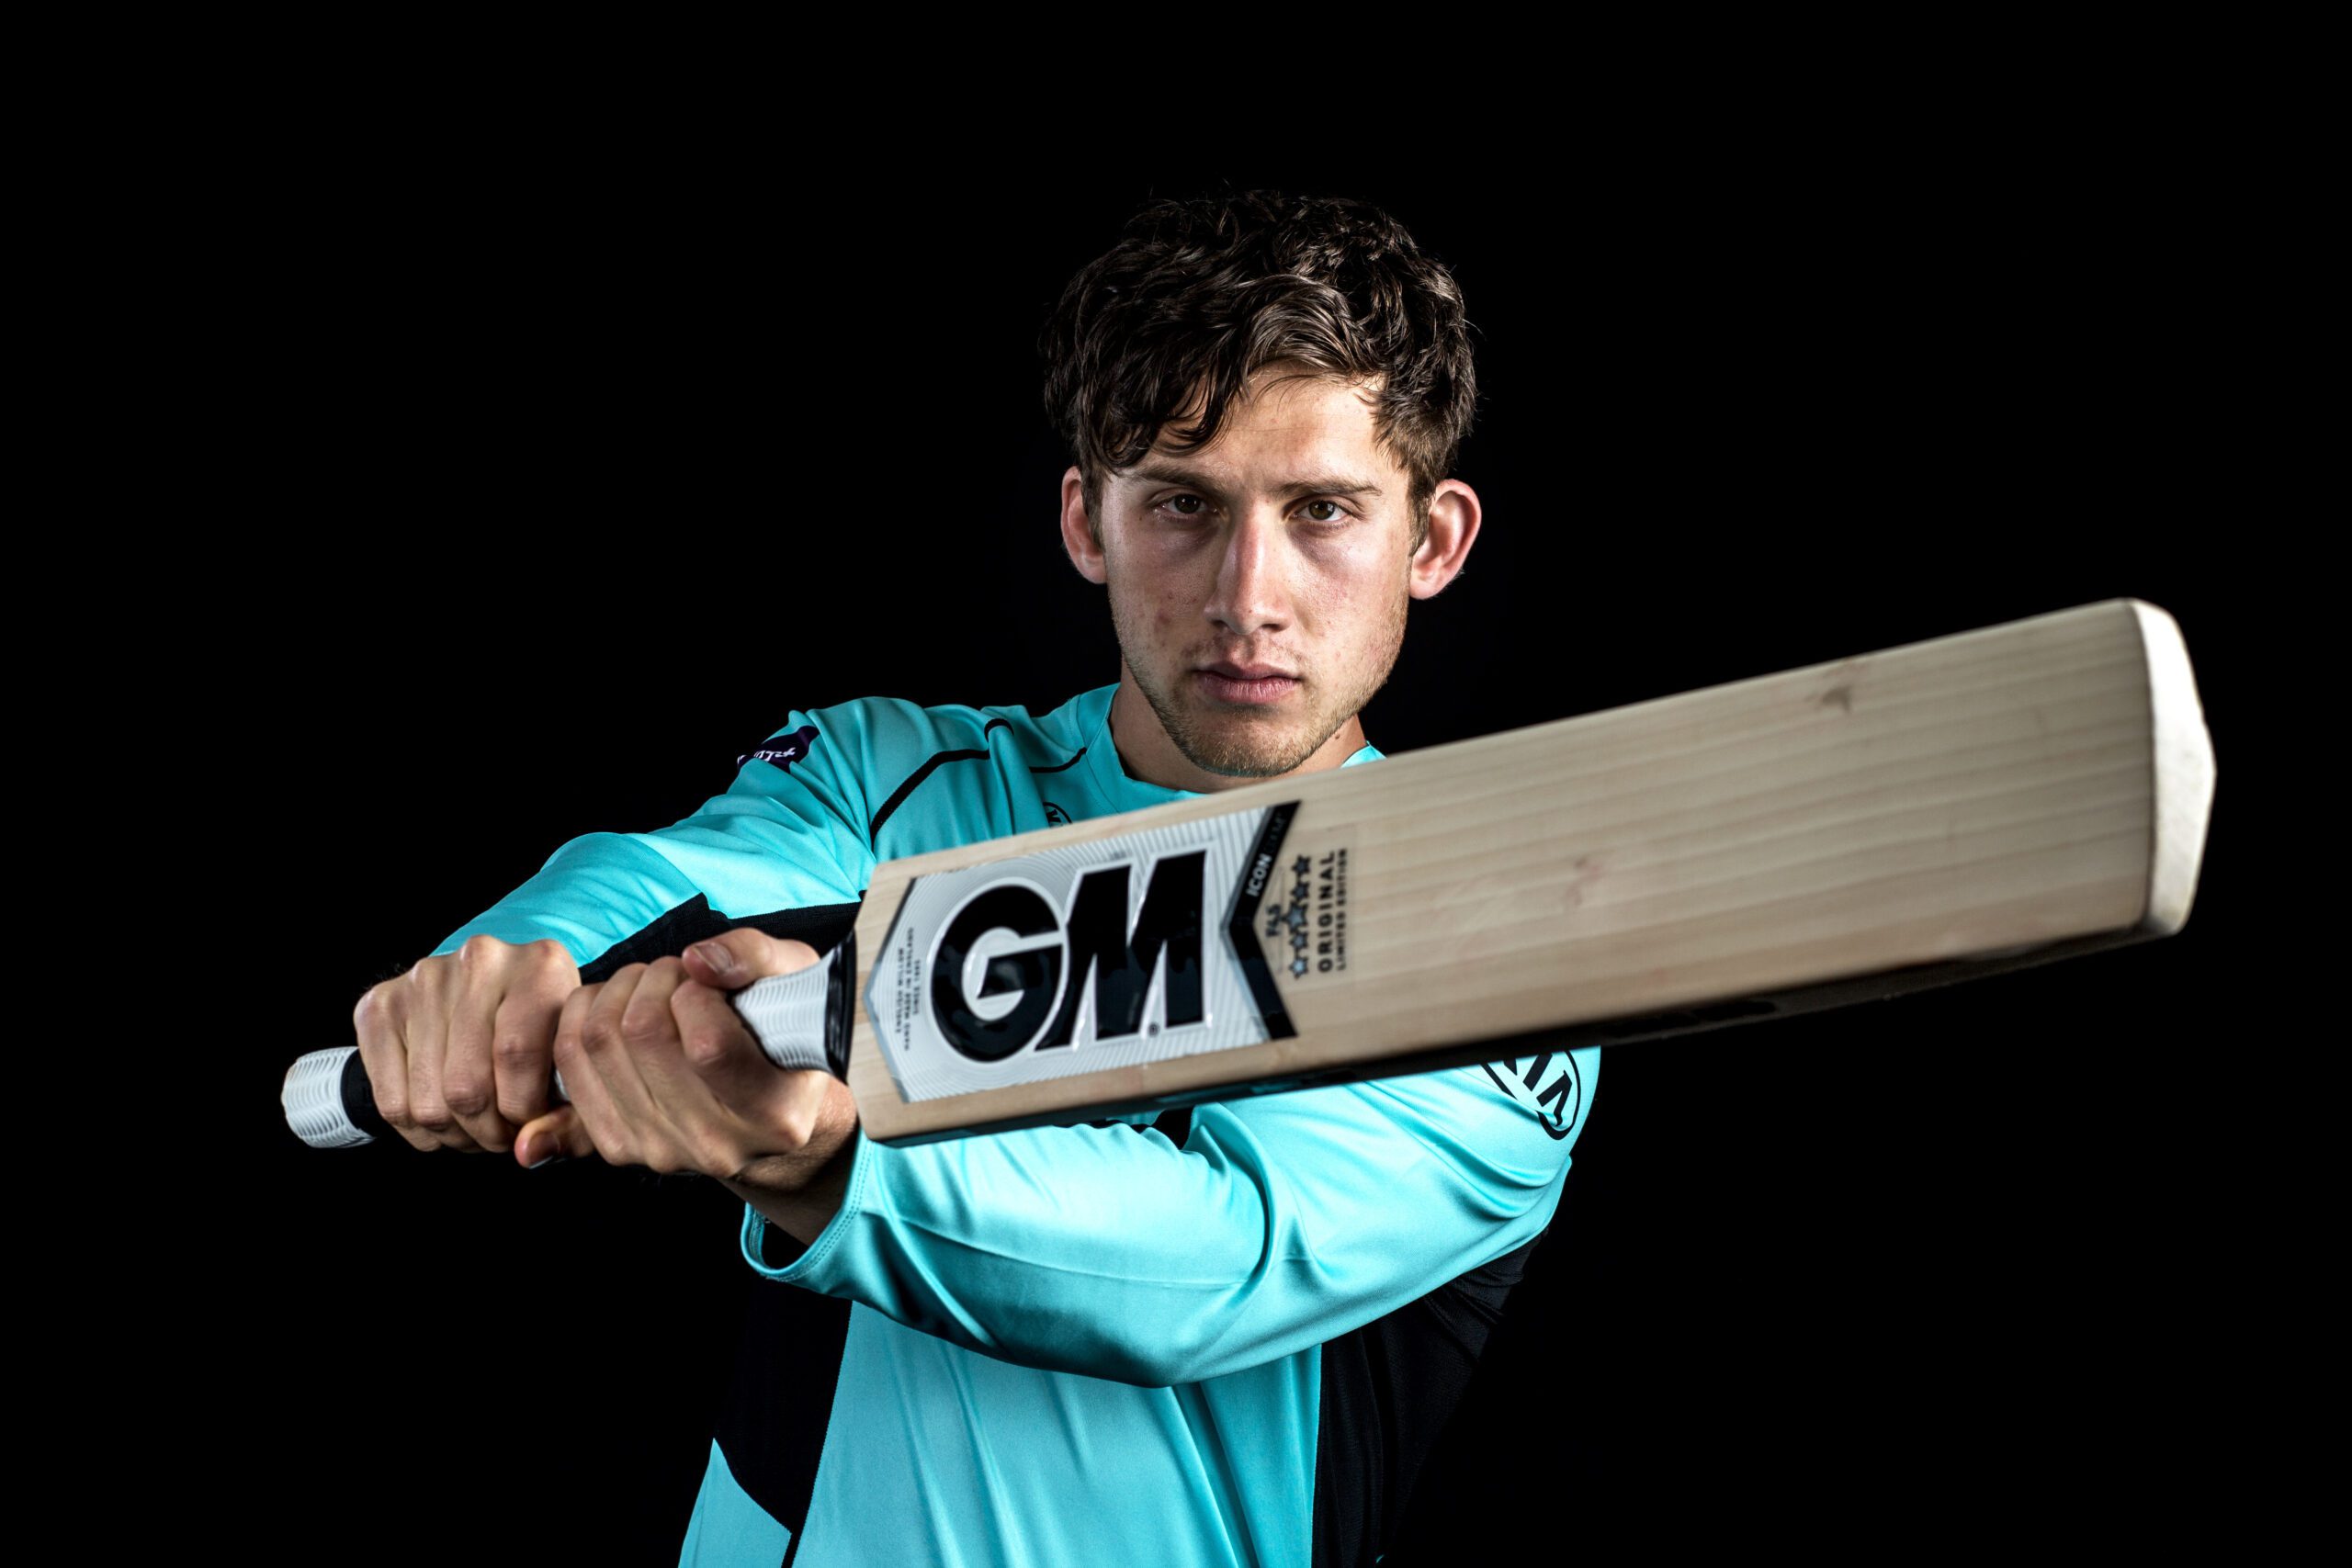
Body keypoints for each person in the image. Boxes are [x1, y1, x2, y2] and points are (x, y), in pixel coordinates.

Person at [350, 188, 1601, 1567]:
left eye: (1321, 512)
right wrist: (498, 974)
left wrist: (830, 1159)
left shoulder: (1500, 934)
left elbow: (1220, 1259)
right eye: (1184, 504)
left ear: (1432, 542)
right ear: (1087, 522)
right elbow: (667, 881)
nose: (1249, 596)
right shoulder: (895, 780)